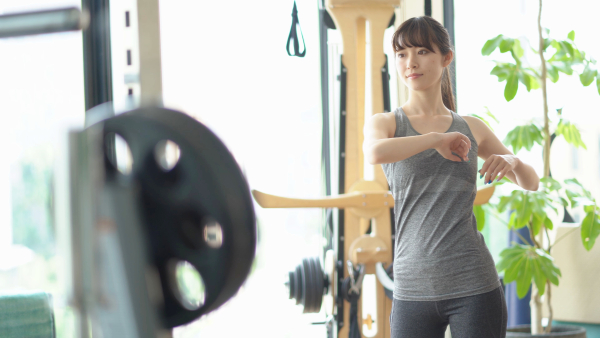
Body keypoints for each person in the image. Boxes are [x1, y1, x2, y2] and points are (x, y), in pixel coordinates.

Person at [363, 16, 540, 338]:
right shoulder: (386, 123)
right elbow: (374, 153)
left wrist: (511, 160)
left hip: (473, 282)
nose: (411, 62)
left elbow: (531, 183)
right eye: (402, 54)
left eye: (422, 51)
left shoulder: (472, 127)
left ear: (446, 57)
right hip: (412, 285)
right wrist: (435, 140)